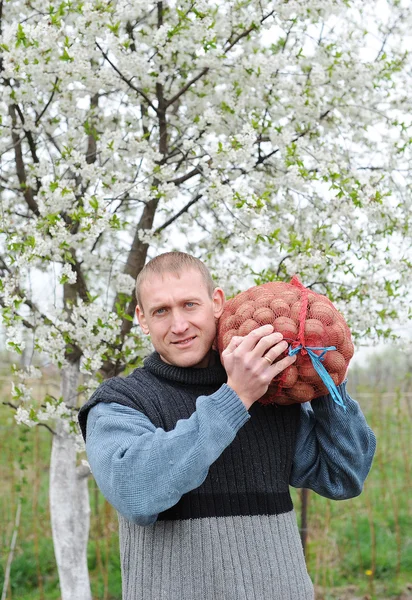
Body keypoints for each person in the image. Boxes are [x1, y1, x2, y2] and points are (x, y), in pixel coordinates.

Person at [78, 252, 376, 600]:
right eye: (161, 311)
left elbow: (344, 476)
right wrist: (235, 397)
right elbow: (136, 493)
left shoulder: (268, 393)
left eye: (190, 305)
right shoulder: (120, 402)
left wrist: (323, 375)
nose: (179, 325)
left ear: (216, 303)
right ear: (142, 319)